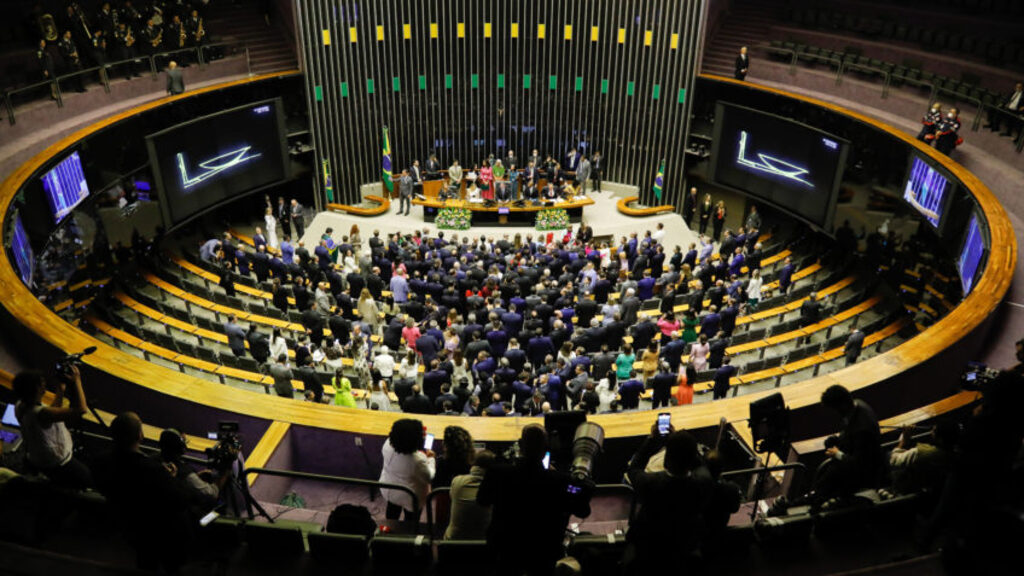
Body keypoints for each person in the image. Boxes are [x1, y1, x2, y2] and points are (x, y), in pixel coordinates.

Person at [477, 425, 591, 576]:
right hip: (545, 553)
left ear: (521, 446)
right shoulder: (560, 480)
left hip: (505, 550)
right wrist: (584, 488)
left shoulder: (497, 473)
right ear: (545, 450)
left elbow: (482, 500)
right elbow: (583, 511)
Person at [94, 412, 192, 573]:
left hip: (129, 528)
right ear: (140, 435)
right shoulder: (153, 470)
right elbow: (180, 500)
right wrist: (172, 478)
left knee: (146, 563)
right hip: (161, 533)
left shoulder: (100, 462)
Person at [624, 427, 715, 575]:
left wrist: (652, 440)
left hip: (649, 550)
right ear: (692, 459)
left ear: (666, 460)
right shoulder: (703, 484)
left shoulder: (650, 483)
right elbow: (700, 466)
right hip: (684, 547)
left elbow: (634, 468)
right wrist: (682, 442)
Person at [12, 367, 92, 489]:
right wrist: (77, 380)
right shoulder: (41, 413)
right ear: (37, 388)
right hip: (58, 464)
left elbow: (52, 413)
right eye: (42, 383)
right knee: (87, 478)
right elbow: (81, 410)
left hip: (38, 459)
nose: (45, 384)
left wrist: (60, 391)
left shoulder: (21, 406)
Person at [379, 419, 435, 521]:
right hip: (410, 497)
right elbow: (429, 477)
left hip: (389, 489)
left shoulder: (387, 444)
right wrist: (431, 459)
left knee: (392, 514)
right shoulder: (419, 460)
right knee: (410, 522)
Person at [445, 450, 496, 540]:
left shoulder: (457, 481)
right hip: (483, 544)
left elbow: (452, 497)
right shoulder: (496, 488)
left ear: (473, 464)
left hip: (453, 541)